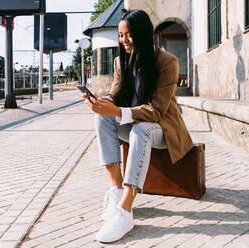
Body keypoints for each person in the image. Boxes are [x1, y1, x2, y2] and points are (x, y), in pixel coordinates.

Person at [82, 9, 193, 243]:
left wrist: (119, 111)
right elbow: (115, 94)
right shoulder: (120, 61)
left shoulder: (167, 62)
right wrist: (102, 103)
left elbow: (156, 111)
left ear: (144, 34)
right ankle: (116, 191)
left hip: (161, 129)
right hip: (132, 124)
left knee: (141, 128)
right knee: (102, 117)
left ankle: (125, 210)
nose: (124, 41)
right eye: (121, 36)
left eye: (129, 35)